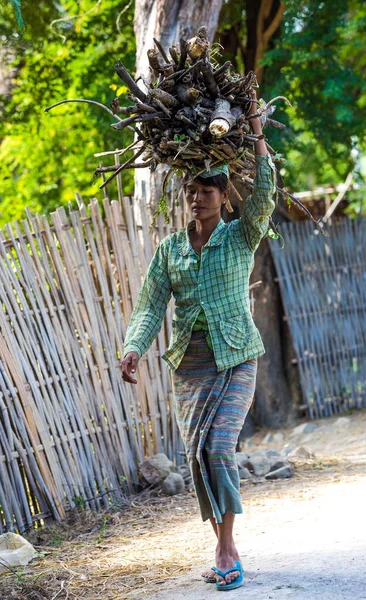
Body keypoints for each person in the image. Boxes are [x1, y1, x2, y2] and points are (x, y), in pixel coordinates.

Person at [120, 92, 275, 591]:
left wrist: (254, 128)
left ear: (224, 194)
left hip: (236, 360)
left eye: (209, 188)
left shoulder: (241, 235)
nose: (199, 195)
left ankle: (227, 548)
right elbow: (148, 307)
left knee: (219, 450)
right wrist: (134, 348)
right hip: (190, 366)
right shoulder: (170, 251)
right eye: (192, 188)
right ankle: (221, 541)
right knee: (196, 455)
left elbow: (266, 193)